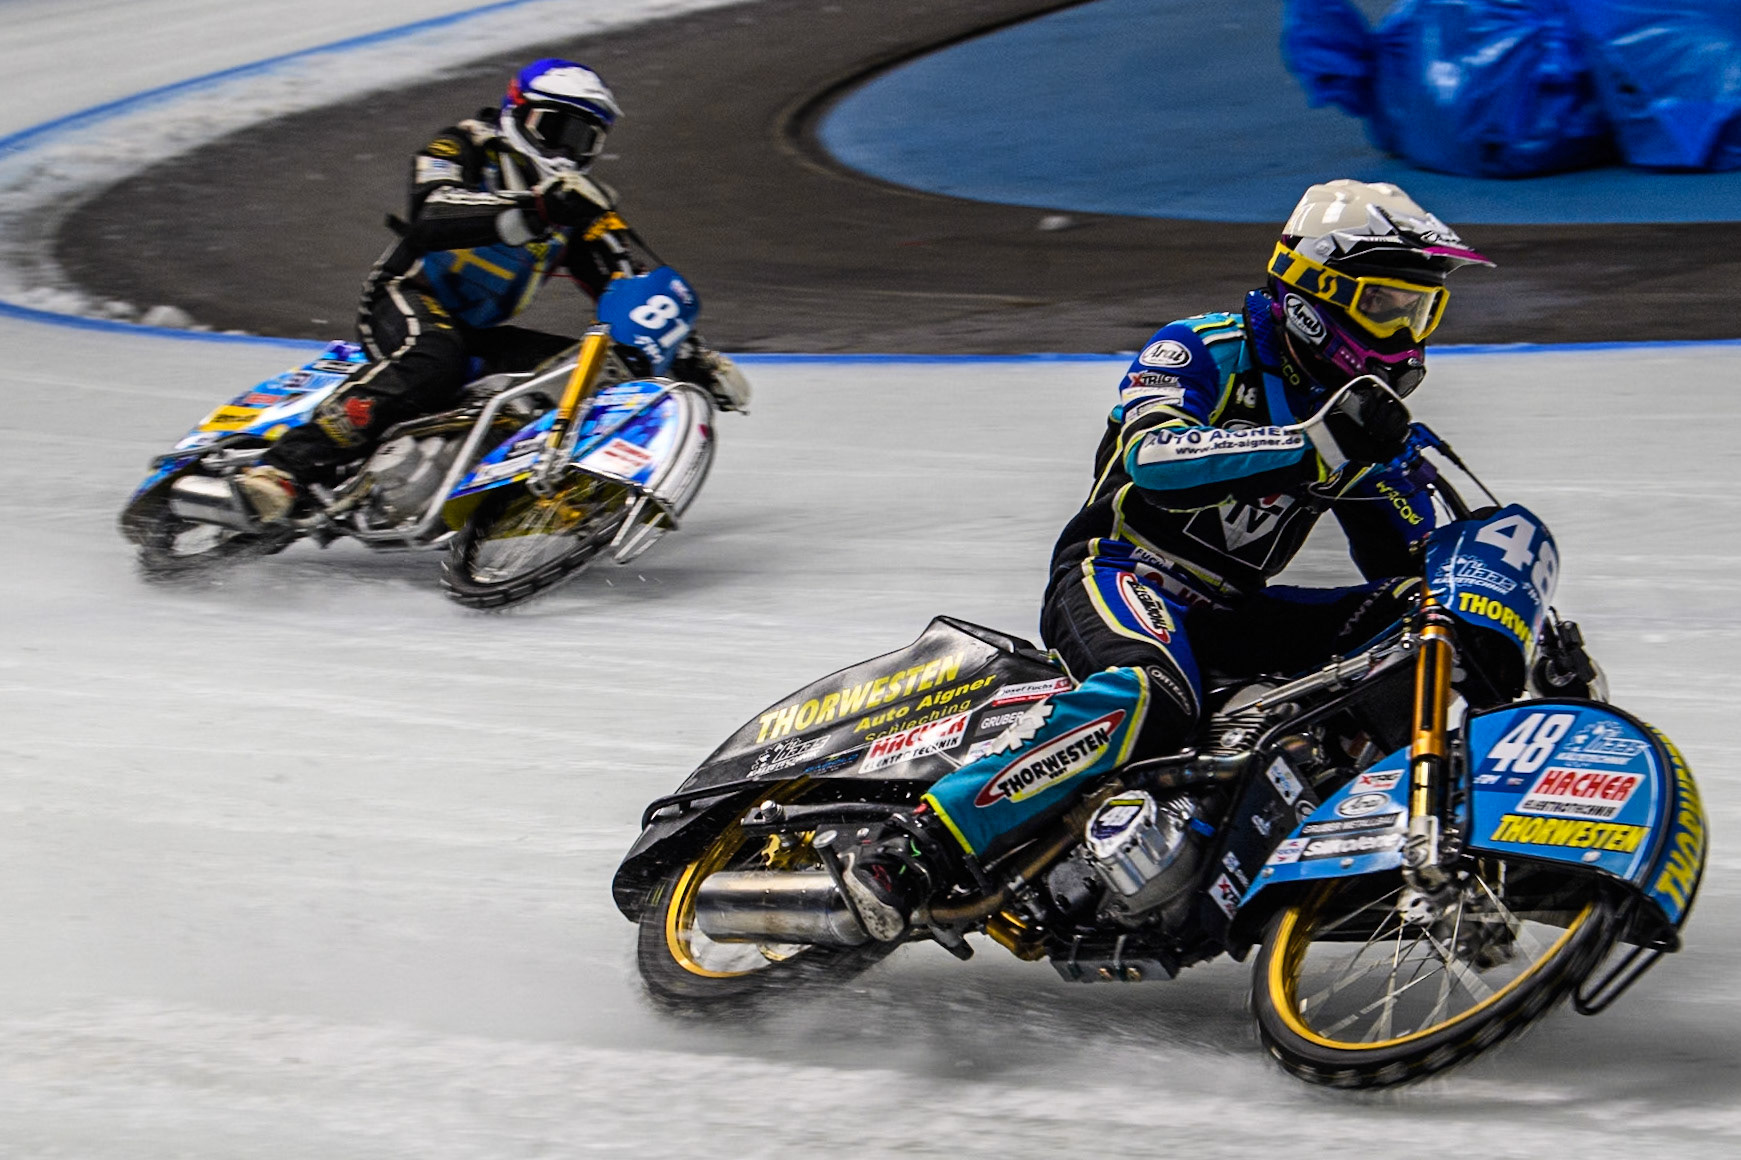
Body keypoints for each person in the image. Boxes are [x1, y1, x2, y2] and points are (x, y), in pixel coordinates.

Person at [840, 179, 1496, 941]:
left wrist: (1486, 600)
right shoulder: (1202, 346)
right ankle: (915, 845)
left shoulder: (1365, 425)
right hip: (1120, 570)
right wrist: (1312, 443)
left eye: (1422, 311)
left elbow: (1407, 559)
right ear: (1317, 293)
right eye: (1388, 304)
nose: (1407, 332)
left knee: (1415, 622)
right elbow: (1153, 456)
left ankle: (1408, 837)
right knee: (1150, 695)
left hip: (1231, 611)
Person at [238, 58, 750, 521]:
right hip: (408, 294)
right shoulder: (462, 145)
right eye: (556, 129)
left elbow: (624, 277)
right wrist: (536, 209)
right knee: (431, 359)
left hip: (478, 327)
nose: (567, 150)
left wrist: (690, 353)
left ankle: (518, 488)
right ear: (516, 113)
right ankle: (282, 468)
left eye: (584, 139)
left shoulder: (578, 205)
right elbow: (432, 214)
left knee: (584, 372)